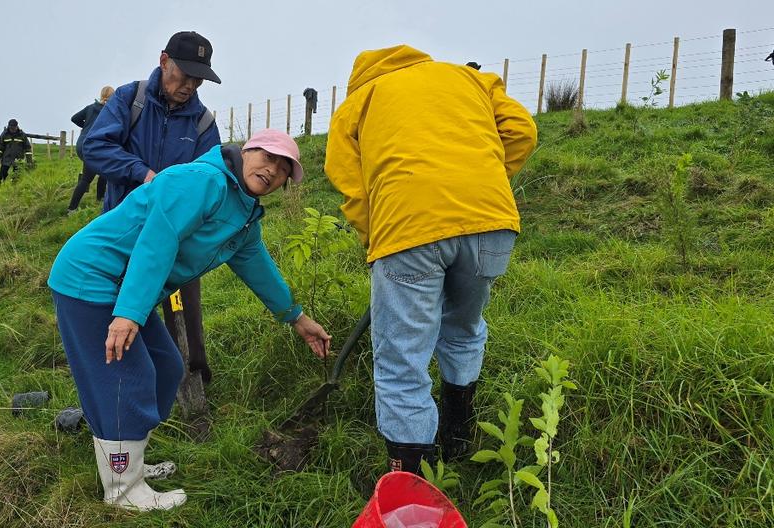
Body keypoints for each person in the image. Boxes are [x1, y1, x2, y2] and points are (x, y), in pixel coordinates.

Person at [49, 130, 331, 511]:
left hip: (129, 288)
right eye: (267, 157)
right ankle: (123, 492)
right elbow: (157, 241)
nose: (272, 170)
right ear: (247, 150)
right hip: (93, 279)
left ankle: (129, 463)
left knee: (167, 368)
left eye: (283, 169)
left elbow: (258, 268)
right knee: (125, 380)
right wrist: (130, 313)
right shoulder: (202, 181)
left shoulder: (245, 213)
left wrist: (297, 318)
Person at [324, 45, 537, 473]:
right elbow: (522, 131)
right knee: (463, 327)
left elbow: (348, 180)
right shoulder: (470, 78)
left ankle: (413, 478)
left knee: (402, 357)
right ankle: (457, 436)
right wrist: (480, 183)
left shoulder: (359, 100)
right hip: (490, 220)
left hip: (407, 225)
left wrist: (376, 238)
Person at [81, 30, 222, 385]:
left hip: (177, 238)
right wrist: (140, 173)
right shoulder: (132, 100)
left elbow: (212, 177)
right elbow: (94, 147)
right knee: (122, 307)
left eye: (198, 78)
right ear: (163, 61)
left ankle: (192, 379)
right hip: (124, 230)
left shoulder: (203, 123)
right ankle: (125, 382)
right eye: (184, 74)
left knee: (185, 308)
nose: (190, 85)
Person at [67, 86, 114, 213]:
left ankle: (100, 199)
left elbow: (74, 118)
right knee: (88, 178)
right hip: (93, 146)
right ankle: (72, 209)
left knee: (104, 170)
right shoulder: (110, 110)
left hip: (81, 144)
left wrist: (86, 126)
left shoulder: (91, 107)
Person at [0, 119, 33, 184]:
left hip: (18, 159)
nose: (13, 130)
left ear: (17, 126)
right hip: (6, 158)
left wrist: (29, 161)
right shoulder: (4, 134)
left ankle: (14, 186)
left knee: (17, 175)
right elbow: (0, 148)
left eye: (14, 128)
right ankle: (1, 184)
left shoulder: (22, 135)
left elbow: (28, 148)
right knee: (2, 173)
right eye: (11, 128)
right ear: (8, 126)